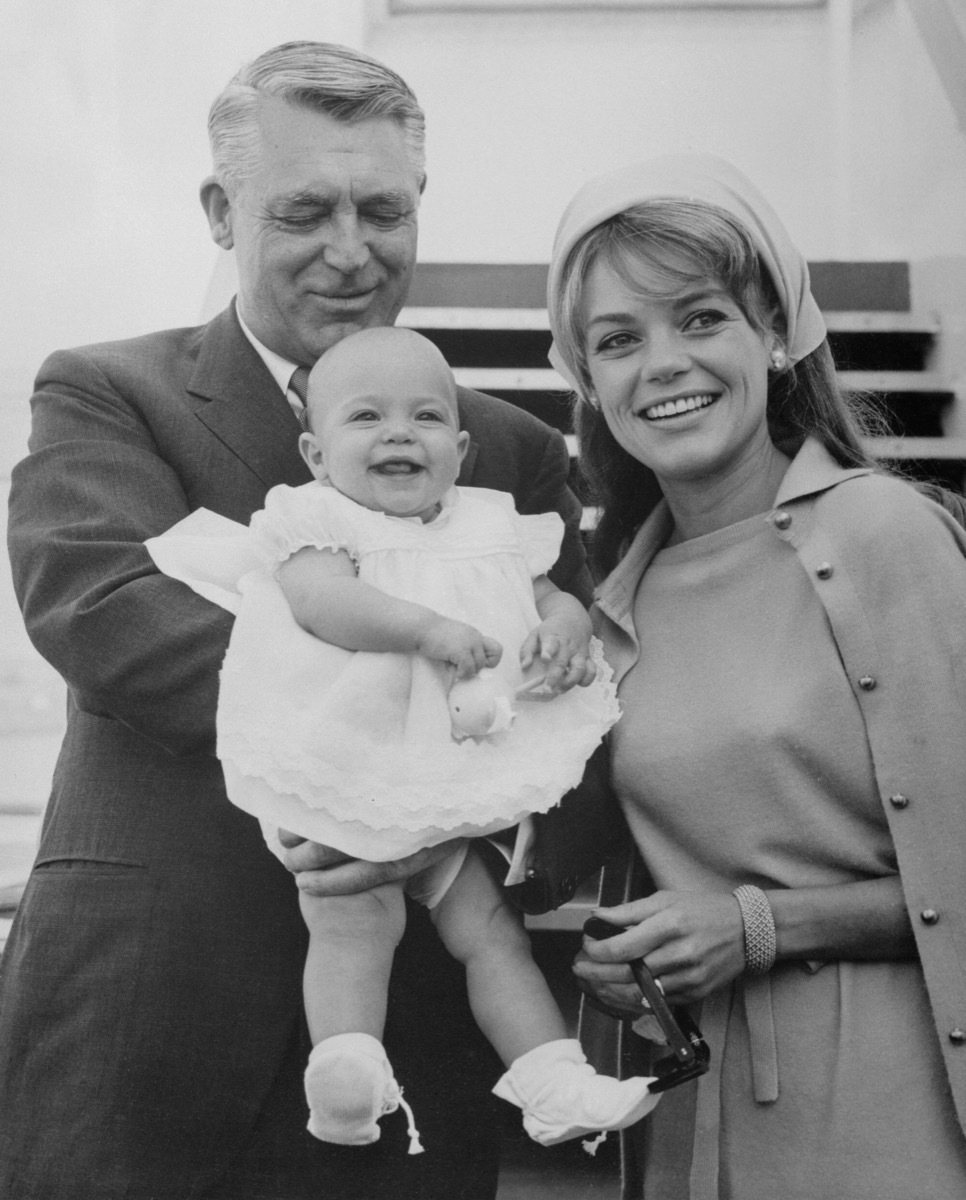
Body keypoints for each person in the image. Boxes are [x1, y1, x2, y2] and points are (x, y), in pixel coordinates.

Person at [0, 42, 592, 1200]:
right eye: (306, 210)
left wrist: (466, 826)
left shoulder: (509, 450)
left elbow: (566, 695)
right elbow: (105, 610)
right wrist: (386, 768)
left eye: (384, 210)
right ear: (222, 213)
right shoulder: (112, 393)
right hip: (142, 1022)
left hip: (410, 1053)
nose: (351, 250)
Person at [536, 153, 966, 1199]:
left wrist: (758, 927)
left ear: (775, 333)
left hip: (891, 1099)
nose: (663, 364)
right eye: (618, 340)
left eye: (700, 319)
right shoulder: (617, 602)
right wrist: (641, 959)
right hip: (696, 1113)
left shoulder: (881, 534)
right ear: (587, 379)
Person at [147, 324, 656, 1152]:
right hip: (354, 766)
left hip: (456, 782)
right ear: (316, 454)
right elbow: (321, 603)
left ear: (460, 449)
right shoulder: (314, 518)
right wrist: (425, 629)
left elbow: (553, 594)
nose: (398, 434)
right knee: (353, 918)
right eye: (366, 417)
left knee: (493, 934)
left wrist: (563, 630)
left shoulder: (493, 522)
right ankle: (346, 1074)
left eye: (425, 417)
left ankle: (553, 1081)